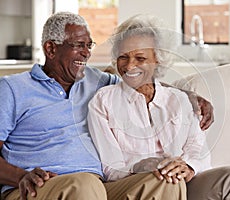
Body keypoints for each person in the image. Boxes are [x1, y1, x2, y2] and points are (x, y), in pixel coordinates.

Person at [0, 12, 213, 200]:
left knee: (165, 179)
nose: (87, 53)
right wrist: (20, 175)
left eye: (88, 45)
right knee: (85, 185)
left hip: (100, 188)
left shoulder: (94, 79)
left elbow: (140, 79)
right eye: (78, 45)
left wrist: (189, 96)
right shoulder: (12, 89)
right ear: (51, 48)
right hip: (36, 187)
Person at [87, 14, 230, 200]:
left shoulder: (179, 100)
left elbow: (198, 149)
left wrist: (187, 166)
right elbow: (110, 167)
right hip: (137, 185)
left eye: (140, 58)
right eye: (123, 57)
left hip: (183, 182)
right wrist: (147, 166)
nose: (130, 65)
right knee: (166, 178)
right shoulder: (103, 101)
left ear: (158, 60)